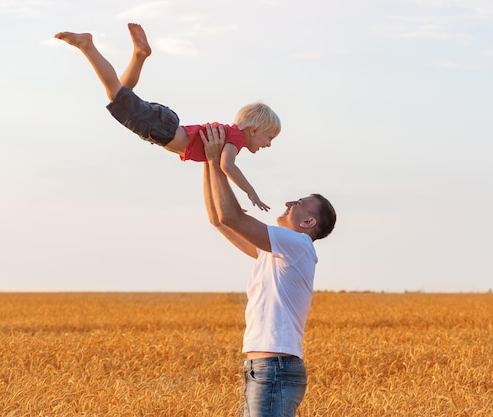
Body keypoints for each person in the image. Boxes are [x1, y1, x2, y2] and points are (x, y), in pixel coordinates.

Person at [55, 23, 280, 211]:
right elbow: (227, 166)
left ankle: (139, 56)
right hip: (163, 129)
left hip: (165, 126)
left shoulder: (229, 137)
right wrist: (251, 193)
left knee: (122, 95)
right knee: (115, 94)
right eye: (269, 138)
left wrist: (228, 201)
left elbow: (219, 166)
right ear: (253, 130)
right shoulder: (236, 139)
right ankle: (87, 46)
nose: (269, 144)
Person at [200, 124, 336, 417]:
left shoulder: (297, 245)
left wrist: (215, 161)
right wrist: (207, 161)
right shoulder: (277, 252)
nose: (289, 203)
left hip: (274, 369)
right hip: (266, 369)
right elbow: (219, 220)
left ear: (309, 224)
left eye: (298, 203)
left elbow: (230, 216)